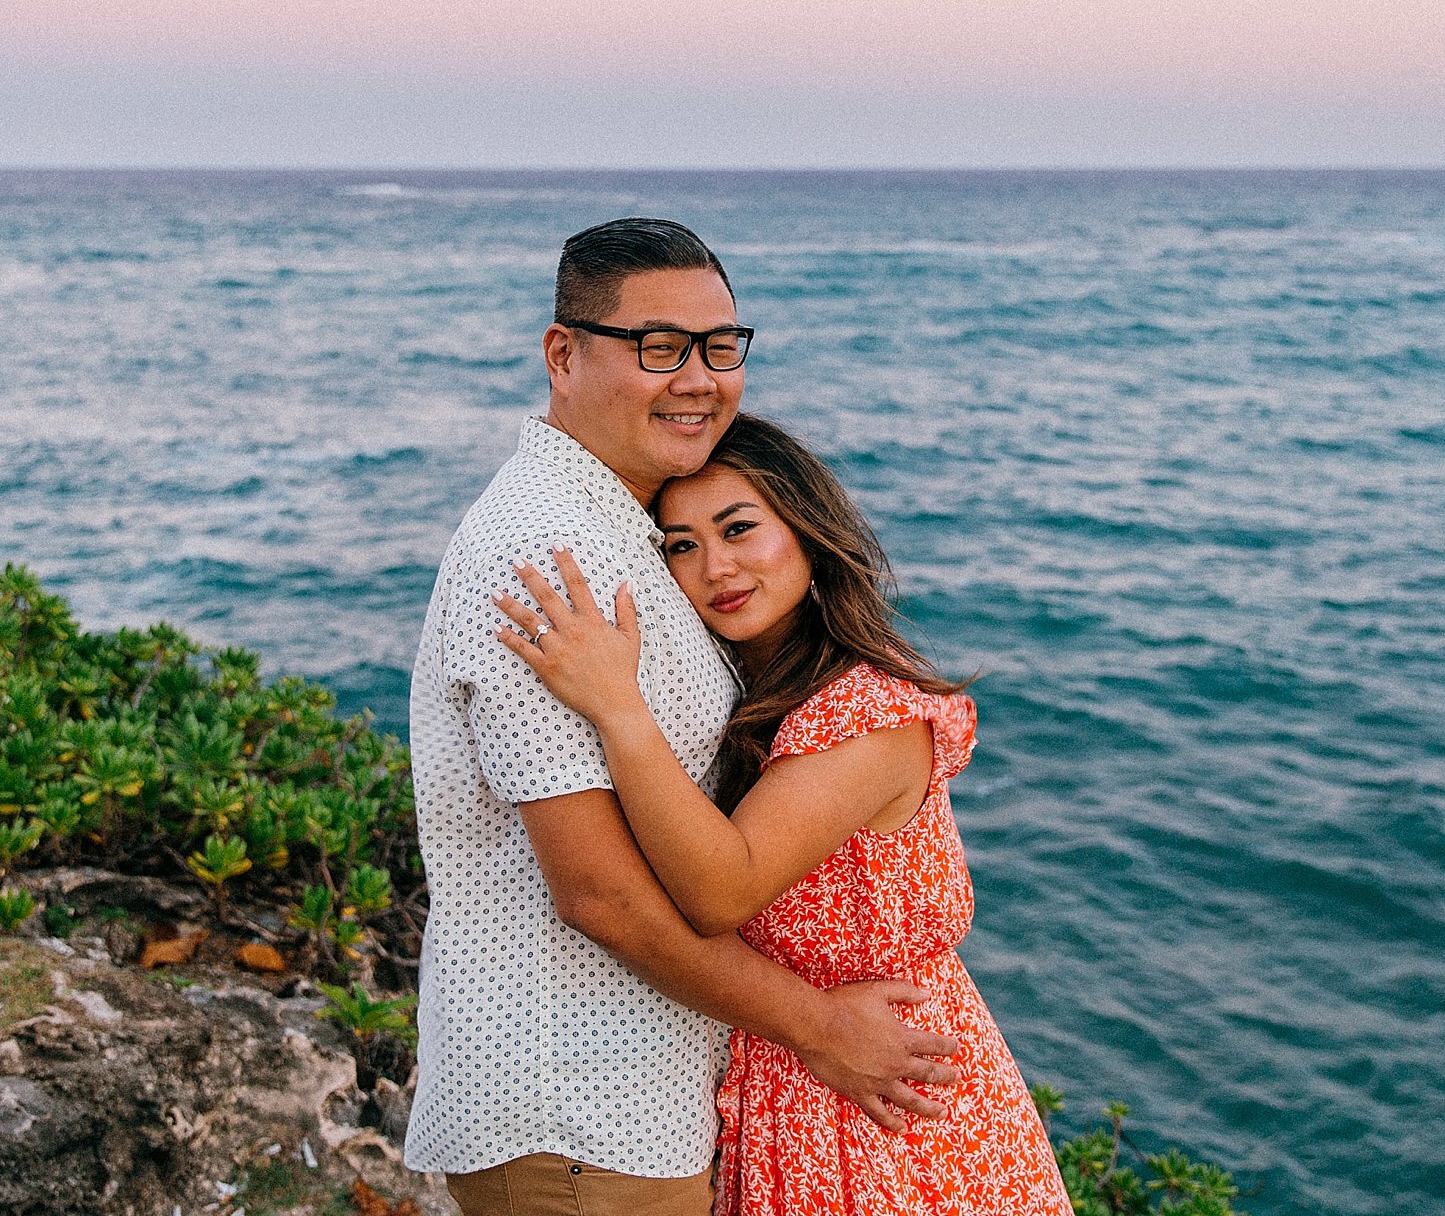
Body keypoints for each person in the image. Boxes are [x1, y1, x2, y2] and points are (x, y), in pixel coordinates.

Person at [404, 220, 959, 1216]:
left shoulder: (626, 522)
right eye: (658, 346)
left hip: (640, 1097)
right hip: (574, 1105)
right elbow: (600, 894)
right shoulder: (542, 555)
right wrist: (820, 1025)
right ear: (562, 353)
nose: (698, 377)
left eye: (719, 345)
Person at [493, 413, 1072, 1216]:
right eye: (680, 546)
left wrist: (616, 705)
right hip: (795, 1077)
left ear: (807, 529)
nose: (715, 567)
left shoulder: (867, 709)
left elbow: (722, 889)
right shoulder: (757, 699)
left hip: (888, 1096)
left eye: (738, 529)